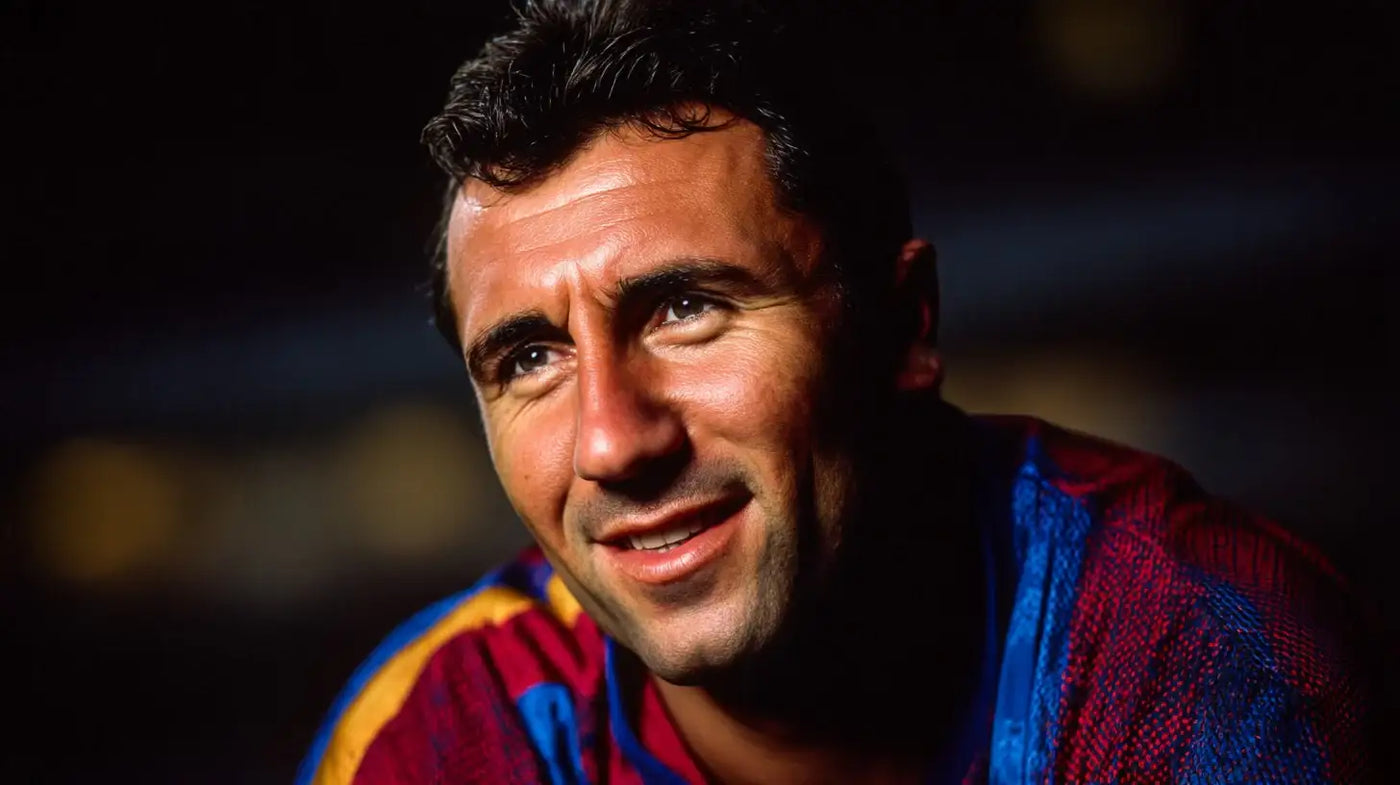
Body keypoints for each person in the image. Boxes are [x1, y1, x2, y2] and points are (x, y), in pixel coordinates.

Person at [297, 1, 1375, 782]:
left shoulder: (1191, 659)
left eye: (685, 309)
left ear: (903, 325)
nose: (613, 442)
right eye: (529, 358)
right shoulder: (447, 736)